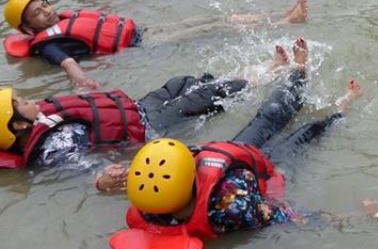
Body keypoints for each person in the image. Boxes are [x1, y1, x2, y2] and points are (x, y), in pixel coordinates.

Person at [109, 39, 363, 249]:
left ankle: (299, 72)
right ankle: (341, 108)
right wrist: (353, 217)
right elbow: (293, 218)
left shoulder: (226, 204)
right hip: (268, 172)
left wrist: (104, 182)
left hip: (239, 160)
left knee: (273, 112)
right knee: (306, 132)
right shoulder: (160, 201)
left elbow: (288, 217)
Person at [0, 75, 245, 173]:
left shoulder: (40, 119)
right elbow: (83, 164)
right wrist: (101, 177)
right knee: (207, 96)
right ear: (20, 126)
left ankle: (233, 85)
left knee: (181, 82)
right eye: (22, 103)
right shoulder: (52, 147)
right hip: (148, 127)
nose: (30, 101)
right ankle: (264, 74)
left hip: (138, 109)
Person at [3, 0, 141, 89]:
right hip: (131, 50)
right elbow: (69, 64)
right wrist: (83, 82)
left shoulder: (67, 18)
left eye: (44, 5)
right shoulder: (47, 47)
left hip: (133, 33)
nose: (47, 12)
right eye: (37, 13)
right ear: (28, 28)